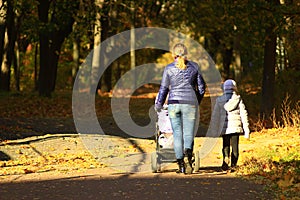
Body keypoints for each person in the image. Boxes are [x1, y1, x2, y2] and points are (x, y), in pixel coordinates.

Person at [155, 43, 206, 174]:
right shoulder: (195, 67)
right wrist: (197, 101)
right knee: (188, 133)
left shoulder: (168, 68)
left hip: (173, 104)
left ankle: (181, 165)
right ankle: (188, 154)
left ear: (173, 55)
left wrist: (159, 104)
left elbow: (164, 89)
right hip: (190, 103)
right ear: (186, 53)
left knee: (177, 134)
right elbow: (201, 88)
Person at [210, 79, 250, 171]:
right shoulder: (238, 99)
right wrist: (246, 129)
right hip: (236, 127)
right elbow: (244, 114)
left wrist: (214, 129)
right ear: (234, 88)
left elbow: (215, 116)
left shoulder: (219, 100)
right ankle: (233, 164)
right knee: (235, 146)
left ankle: (225, 158)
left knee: (225, 145)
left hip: (224, 127)